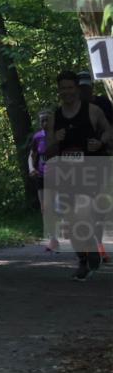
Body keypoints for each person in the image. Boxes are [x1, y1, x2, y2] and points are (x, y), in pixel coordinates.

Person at [44, 70, 112, 281]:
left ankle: (90, 249)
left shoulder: (92, 111)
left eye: (70, 87)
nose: (67, 92)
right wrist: (55, 139)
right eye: (63, 88)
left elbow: (109, 131)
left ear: (77, 89)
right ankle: (84, 259)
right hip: (66, 174)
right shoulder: (55, 117)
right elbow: (47, 150)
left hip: (91, 171)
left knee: (81, 212)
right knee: (72, 221)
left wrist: (100, 142)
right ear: (59, 91)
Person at [78, 70, 112, 264]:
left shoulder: (103, 104)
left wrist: (102, 142)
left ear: (91, 86)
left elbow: (110, 128)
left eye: (86, 86)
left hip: (100, 157)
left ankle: (97, 243)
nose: (84, 90)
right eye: (81, 87)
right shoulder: (72, 108)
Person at [29, 116, 59, 252]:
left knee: (61, 206)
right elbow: (31, 155)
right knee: (45, 208)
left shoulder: (59, 136)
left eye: (48, 120)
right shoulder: (37, 137)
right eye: (42, 120)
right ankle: (53, 239)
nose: (45, 123)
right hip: (42, 176)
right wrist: (31, 168)